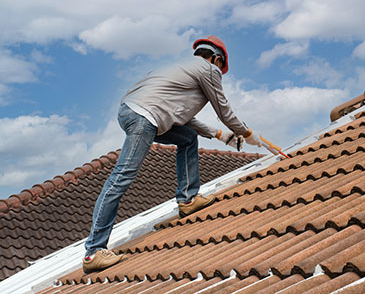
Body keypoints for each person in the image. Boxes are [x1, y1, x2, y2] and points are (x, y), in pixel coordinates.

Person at [82, 35, 262, 273]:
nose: (219, 72)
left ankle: (187, 198)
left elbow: (183, 118)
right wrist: (246, 132)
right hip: (146, 117)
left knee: (187, 138)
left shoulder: (176, 69)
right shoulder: (209, 70)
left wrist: (221, 135)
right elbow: (223, 109)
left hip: (131, 113)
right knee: (121, 176)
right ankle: (94, 251)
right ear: (216, 59)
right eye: (220, 66)